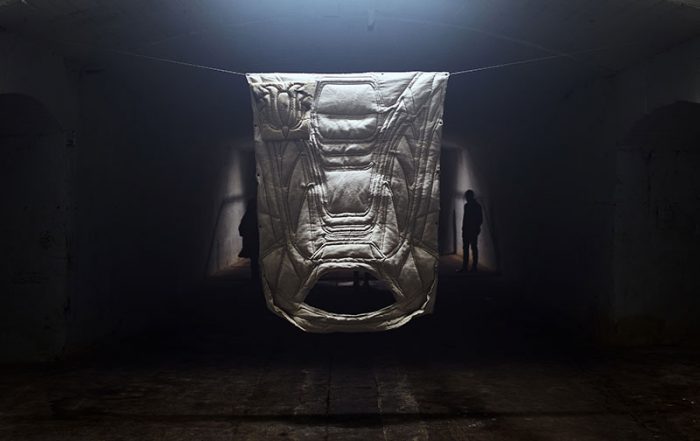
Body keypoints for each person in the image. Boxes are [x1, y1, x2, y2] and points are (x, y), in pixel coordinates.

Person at [459, 190, 483, 272]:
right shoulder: (474, 206)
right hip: (469, 230)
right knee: (470, 248)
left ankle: (468, 267)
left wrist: (474, 227)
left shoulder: (472, 206)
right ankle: (470, 267)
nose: (466, 198)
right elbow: (466, 219)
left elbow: (479, 219)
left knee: (471, 248)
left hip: (471, 230)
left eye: (467, 196)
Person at [238, 198, 260, 283]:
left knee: (254, 260)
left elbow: (241, 229)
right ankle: (257, 277)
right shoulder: (257, 216)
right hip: (256, 241)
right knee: (257, 259)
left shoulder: (247, 216)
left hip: (251, 241)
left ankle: (255, 277)